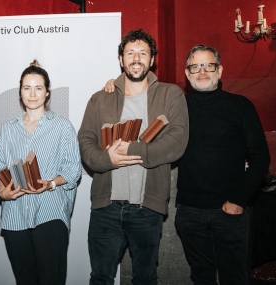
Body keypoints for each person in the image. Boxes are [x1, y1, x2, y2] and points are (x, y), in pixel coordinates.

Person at [78, 28, 189, 285]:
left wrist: (132, 150)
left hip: (147, 207)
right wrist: (108, 160)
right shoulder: (100, 99)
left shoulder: (170, 95)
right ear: (120, 59)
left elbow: (177, 142)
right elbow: (85, 142)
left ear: (152, 60)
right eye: (130, 53)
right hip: (105, 207)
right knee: (101, 278)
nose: (136, 58)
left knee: (145, 278)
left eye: (143, 53)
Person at [174, 44, 270, 285]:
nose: (202, 71)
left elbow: (261, 157)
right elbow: (146, 94)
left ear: (220, 70)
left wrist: (238, 200)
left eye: (209, 65)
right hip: (189, 212)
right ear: (187, 74)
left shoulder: (240, 106)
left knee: (235, 278)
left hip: (229, 212)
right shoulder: (178, 108)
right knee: (201, 278)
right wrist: (115, 84)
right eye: (195, 66)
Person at [0, 60, 82, 285]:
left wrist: (51, 183)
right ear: (20, 91)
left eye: (38, 88)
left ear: (47, 92)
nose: (32, 94)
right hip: (15, 217)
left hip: (51, 214)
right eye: (27, 88)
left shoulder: (63, 127)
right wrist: (3, 192)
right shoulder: (7, 129)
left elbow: (73, 170)